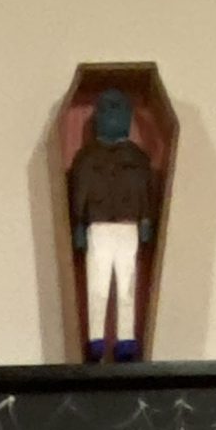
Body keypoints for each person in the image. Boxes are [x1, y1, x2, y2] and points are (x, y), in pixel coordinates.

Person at [68, 87, 156, 363]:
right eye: (108, 109)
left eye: (120, 110)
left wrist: (146, 219)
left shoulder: (137, 158)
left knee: (127, 284)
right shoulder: (86, 158)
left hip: (128, 226)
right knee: (98, 285)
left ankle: (126, 338)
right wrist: (79, 224)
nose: (114, 115)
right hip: (98, 226)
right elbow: (79, 192)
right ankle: (96, 338)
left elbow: (146, 192)